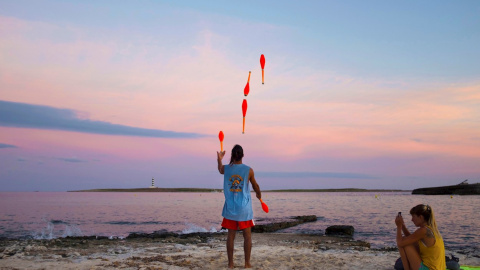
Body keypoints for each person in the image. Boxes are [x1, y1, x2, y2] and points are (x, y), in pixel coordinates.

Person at [217, 144, 262, 269]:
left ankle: (231, 264)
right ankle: (247, 263)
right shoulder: (249, 170)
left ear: (232, 155)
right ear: (243, 155)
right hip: (244, 209)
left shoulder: (226, 169)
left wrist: (219, 158)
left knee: (231, 236)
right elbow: (255, 185)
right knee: (247, 236)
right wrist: (259, 194)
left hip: (231, 208)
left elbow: (220, 169)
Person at [395, 204, 446, 270]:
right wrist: (403, 226)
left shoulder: (423, 230)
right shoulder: (432, 229)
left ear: (421, 217)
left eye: (413, 216)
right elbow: (411, 239)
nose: (412, 220)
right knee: (406, 241)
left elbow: (400, 243)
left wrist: (399, 227)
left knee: (404, 244)